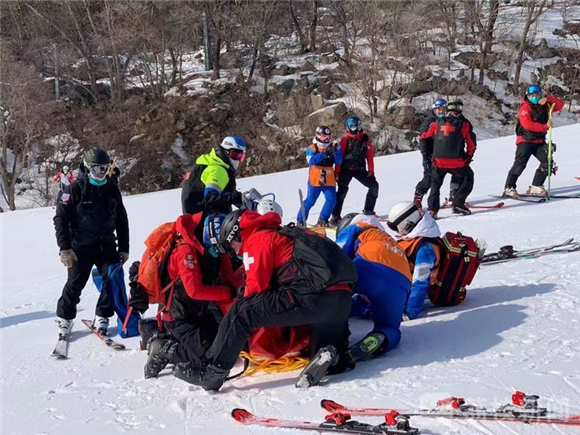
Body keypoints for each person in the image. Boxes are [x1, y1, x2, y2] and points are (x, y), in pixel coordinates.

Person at [173, 209, 355, 391]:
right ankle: (335, 354)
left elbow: (254, 292)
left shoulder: (256, 239)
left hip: (313, 299)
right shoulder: (286, 233)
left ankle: (212, 372)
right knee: (319, 348)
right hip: (341, 300)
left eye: (233, 246)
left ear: (236, 235)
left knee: (241, 311)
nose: (236, 251)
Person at [140, 212, 238, 379]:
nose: (223, 252)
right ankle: (164, 350)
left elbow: (226, 271)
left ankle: (178, 343)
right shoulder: (186, 252)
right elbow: (195, 290)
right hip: (179, 317)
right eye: (221, 247)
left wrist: (236, 290)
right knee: (208, 355)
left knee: (225, 345)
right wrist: (228, 292)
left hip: (200, 311)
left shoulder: (213, 249)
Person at [53, 149, 129, 337]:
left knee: (111, 281)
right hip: (80, 247)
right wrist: (65, 248)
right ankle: (65, 318)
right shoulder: (75, 189)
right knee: (75, 283)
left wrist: (124, 248)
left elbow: (121, 219)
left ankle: (102, 315)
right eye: (96, 168)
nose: (101, 172)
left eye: (104, 168)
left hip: (106, 245)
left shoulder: (112, 189)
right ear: (87, 168)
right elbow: (60, 219)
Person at [335, 213, 411, 360]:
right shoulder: (389, 240)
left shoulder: (357, 226)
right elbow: (371, 295)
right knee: (390, 327)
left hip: (370, 264)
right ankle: (380, 338)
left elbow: (338, 255)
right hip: (403, 282)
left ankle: (335, 340)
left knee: (336, 290)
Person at [504, 85, 564, 197]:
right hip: (525, 140)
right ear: (528, 96)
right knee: (520, 164)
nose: (535, 97)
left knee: (548, 162)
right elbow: (527, 124)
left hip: (539, 141)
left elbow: (560, 105)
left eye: (537, 95)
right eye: (532, 95)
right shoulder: (525, 108)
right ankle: (509, 187)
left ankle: (536, 186)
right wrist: (545, 126)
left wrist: (549, 99)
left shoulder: (544, 105)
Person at [386, 201, 441, 320]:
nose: (397, 231)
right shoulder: (412, 238)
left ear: (406, 224)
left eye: (396, 227)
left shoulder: (425, 248)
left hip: (404, 294)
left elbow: (420, 282)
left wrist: (409, 313)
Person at [420, 99, 476, 217]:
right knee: (468, 177)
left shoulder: (437, 122)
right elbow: (471, 144)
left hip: (438, 161)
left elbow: (425, 135)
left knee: (435, 184)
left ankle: (432, 210)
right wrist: (468, 157)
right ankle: (458, 204)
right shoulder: (464, 124)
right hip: (456, 162)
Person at [330, 116, 379, 223]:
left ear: (359, 125)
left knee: (374, 186)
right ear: (348, 127)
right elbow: (339, 157)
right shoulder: (344, 139)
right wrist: (337, 172)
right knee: (342, 191)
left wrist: (371, 170)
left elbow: (369, 156)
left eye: (355, 125)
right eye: (351, 126)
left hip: (359, 169)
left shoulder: (366, 139)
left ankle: (368, 211)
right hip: (345, 169)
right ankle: (335, 216)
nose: (353, 128)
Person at [181, 136, 247, 215]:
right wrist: (235, 198)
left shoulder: (207, 164)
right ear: (226, 153)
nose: (237, 160)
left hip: (193, 219)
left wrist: (238, 198)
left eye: (240, 157)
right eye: (235, 155)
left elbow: (222, 193)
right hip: (208, 219)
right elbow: (210, 198)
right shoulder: (218, 170)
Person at [414, 99, 461, 206]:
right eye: (438, 110)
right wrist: (425, 157)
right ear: (434, 110)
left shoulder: (448, 119)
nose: (440, 112)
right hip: (432, 155)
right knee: (430, 177)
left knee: (457, 171)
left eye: (443, 110)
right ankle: (418, 196)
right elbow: (423, 140)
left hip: (445, 154)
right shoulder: (430, 122)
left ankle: (453, 194)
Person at [297, 125, 342, 227]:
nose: (326, 139)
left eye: (328, 137)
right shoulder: (313, 148)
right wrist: (324, 153)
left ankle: (323, 219)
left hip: (329, 178)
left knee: (331, 200)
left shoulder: (332, 147)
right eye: (323, 137)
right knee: (310, 201)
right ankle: (300, 220)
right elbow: (311, 161)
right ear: (318, 136)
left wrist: (337, 151)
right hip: (315, 179)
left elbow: (339, 161)